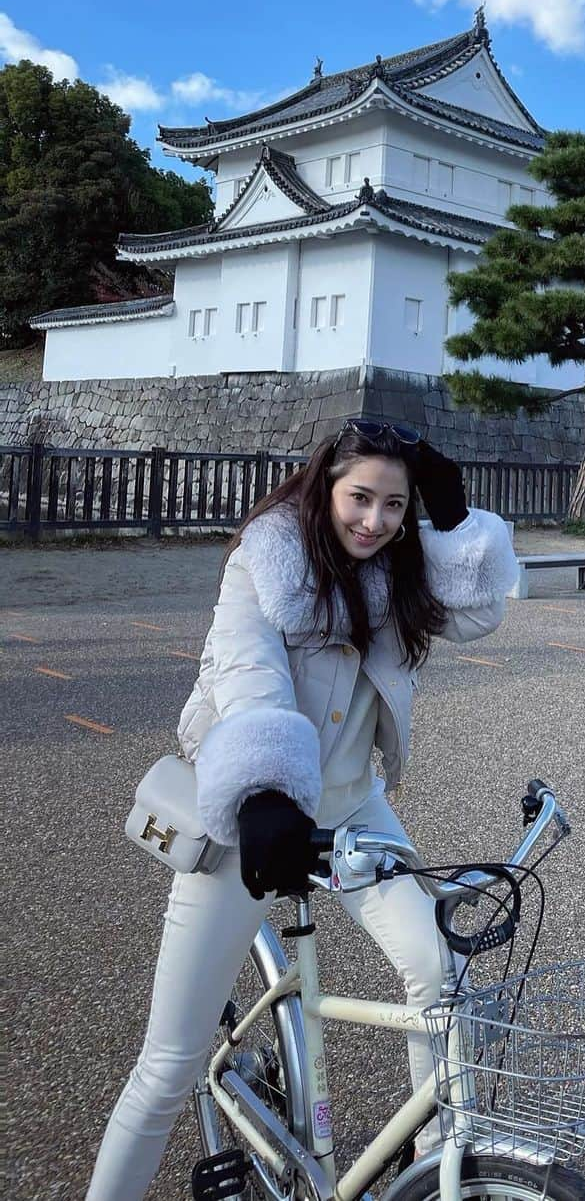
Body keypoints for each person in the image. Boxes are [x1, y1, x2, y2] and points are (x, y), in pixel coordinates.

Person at [86, 419, 520, 1200]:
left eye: (395, 504)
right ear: (325, 486)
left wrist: (451, 520)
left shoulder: (399, 565)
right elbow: (246, 669)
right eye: (360, 498)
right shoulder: (266, 558)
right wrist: (266, 795)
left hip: (355, 807)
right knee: (168, 1065)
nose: (375, 521)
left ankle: (437, 1164)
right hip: (253, 816)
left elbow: (480, 614)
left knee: (439, 969)